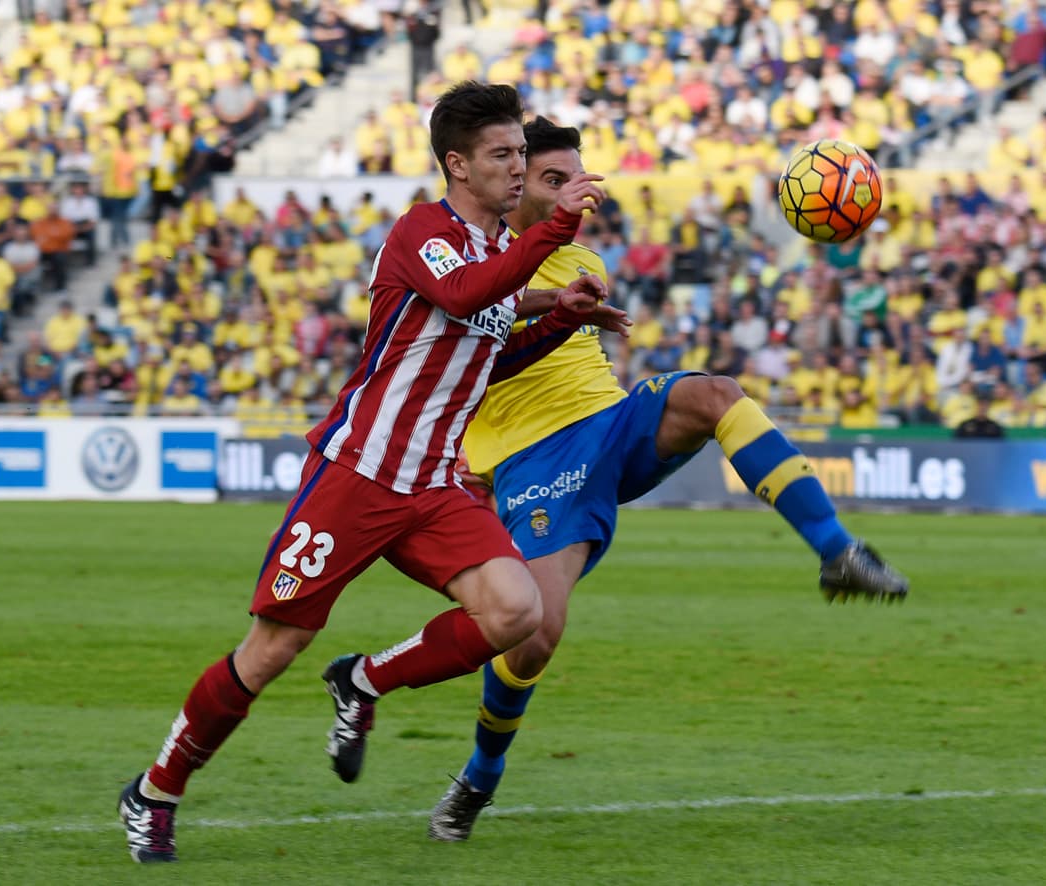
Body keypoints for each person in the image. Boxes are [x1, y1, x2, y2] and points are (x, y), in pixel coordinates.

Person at [117, 81, 628, 864]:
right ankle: (155, 790)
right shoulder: (425, 233)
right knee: (269, 651)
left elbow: (488, 358)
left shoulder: (499, 252)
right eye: (503, 155)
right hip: (357, 474)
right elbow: (464, 293)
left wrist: (558, 318)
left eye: (523, 154)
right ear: (457, 165)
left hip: (431, 486)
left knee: (516, 612)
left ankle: (361, 681)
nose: (519, 169)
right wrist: (558, 236)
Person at [425, 117, 911, 843]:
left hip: (609, 423)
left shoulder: (580, 255)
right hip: (534, 462)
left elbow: (580, 363)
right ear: (514, 182)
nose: (575, 193)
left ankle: (838, 552)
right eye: (555, 180)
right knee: (533, 636)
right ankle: (479, 779)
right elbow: (463, 358)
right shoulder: (466, 262)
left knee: (716, 395)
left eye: (576, 178)